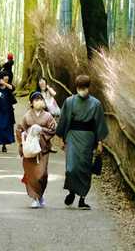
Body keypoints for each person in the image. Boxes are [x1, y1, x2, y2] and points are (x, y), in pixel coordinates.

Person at [56, 74, 108, 210]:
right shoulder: (69, 101)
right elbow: (64, 120)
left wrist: (100, 142)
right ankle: (72, 191)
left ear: (88, 88)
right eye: (80, 87)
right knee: (71, 167)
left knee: (85, 168)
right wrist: (61, 138)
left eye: (85, 87)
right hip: (72, 136)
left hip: (88, 138)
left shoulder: (96, 104)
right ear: (77, 87)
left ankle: (82, 198)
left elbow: (99, 124)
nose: (83, 90)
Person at [16, 91, 57, 208]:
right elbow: (19, 129)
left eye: (41, 99)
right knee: (32, 174)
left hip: (43, 149)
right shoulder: (27, 116)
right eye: (36, 100)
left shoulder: (48, 116)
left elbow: (53, 130)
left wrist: (40, 130)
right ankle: (35, 198)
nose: (39, 102)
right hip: (30, 150)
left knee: (42, 174)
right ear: (31, 103)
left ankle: (40, 194)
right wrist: (26, 137)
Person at [0, 72, 16, 152]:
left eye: (7, 76)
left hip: (8, 111)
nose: (7, 77)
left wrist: (4, 83)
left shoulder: (8, 86)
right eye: (5, 76)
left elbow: (12, 88)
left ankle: (4, 145)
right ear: (1, 77)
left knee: (7, 128)